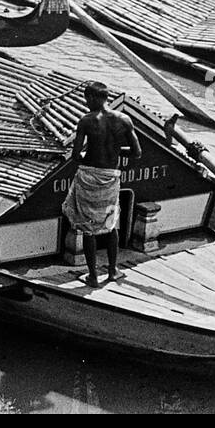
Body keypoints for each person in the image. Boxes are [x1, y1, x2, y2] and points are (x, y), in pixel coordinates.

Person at [63, 82, 141, 287]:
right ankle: (113, 271)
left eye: (86, 99)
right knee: (111, 223)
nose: (86, 103)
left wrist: (90, 157)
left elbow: (75, 156)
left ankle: (93, 276)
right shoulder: (124, 119)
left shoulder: (87, 121)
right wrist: (115, 152)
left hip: (89, 175)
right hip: (111, 177)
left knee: (88, 228)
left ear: (92, 98)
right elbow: (136, 153)